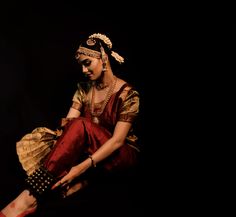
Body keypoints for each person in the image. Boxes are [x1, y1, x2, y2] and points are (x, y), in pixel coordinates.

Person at [0, 32, 140, 217]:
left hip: (121, 156)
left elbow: (117, 141)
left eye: (87, 63)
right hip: (93, 156)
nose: (83, 70)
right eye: (81, 65)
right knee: (64, 133)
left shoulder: (127, 94)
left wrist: (79, 168)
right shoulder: (83, 90)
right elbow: (69, 127)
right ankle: (72, 184)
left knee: (80, 125)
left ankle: (31, 195)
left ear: (104, 58)